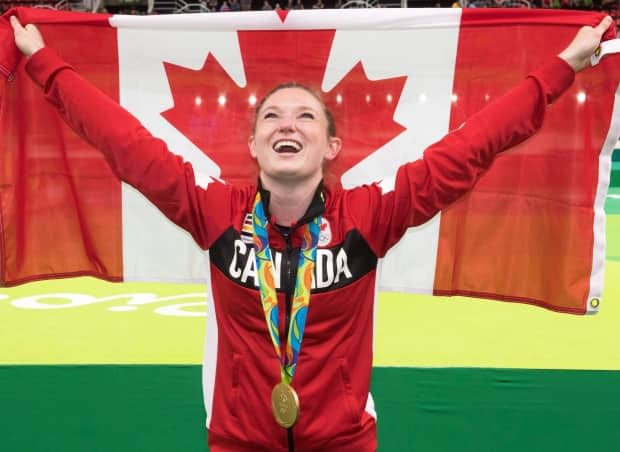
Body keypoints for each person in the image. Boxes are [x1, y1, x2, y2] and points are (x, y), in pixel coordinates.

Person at [10, 14, 613, 452]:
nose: (286, 124)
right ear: (252, 146)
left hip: (344, 443)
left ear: (331, 146)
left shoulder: (370, 219)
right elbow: (124, 144)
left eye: (305, 116)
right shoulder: (215, 212)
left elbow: (471, 147)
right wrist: (43, 61)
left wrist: (559, 70)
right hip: (238, 444)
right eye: (271, 115)